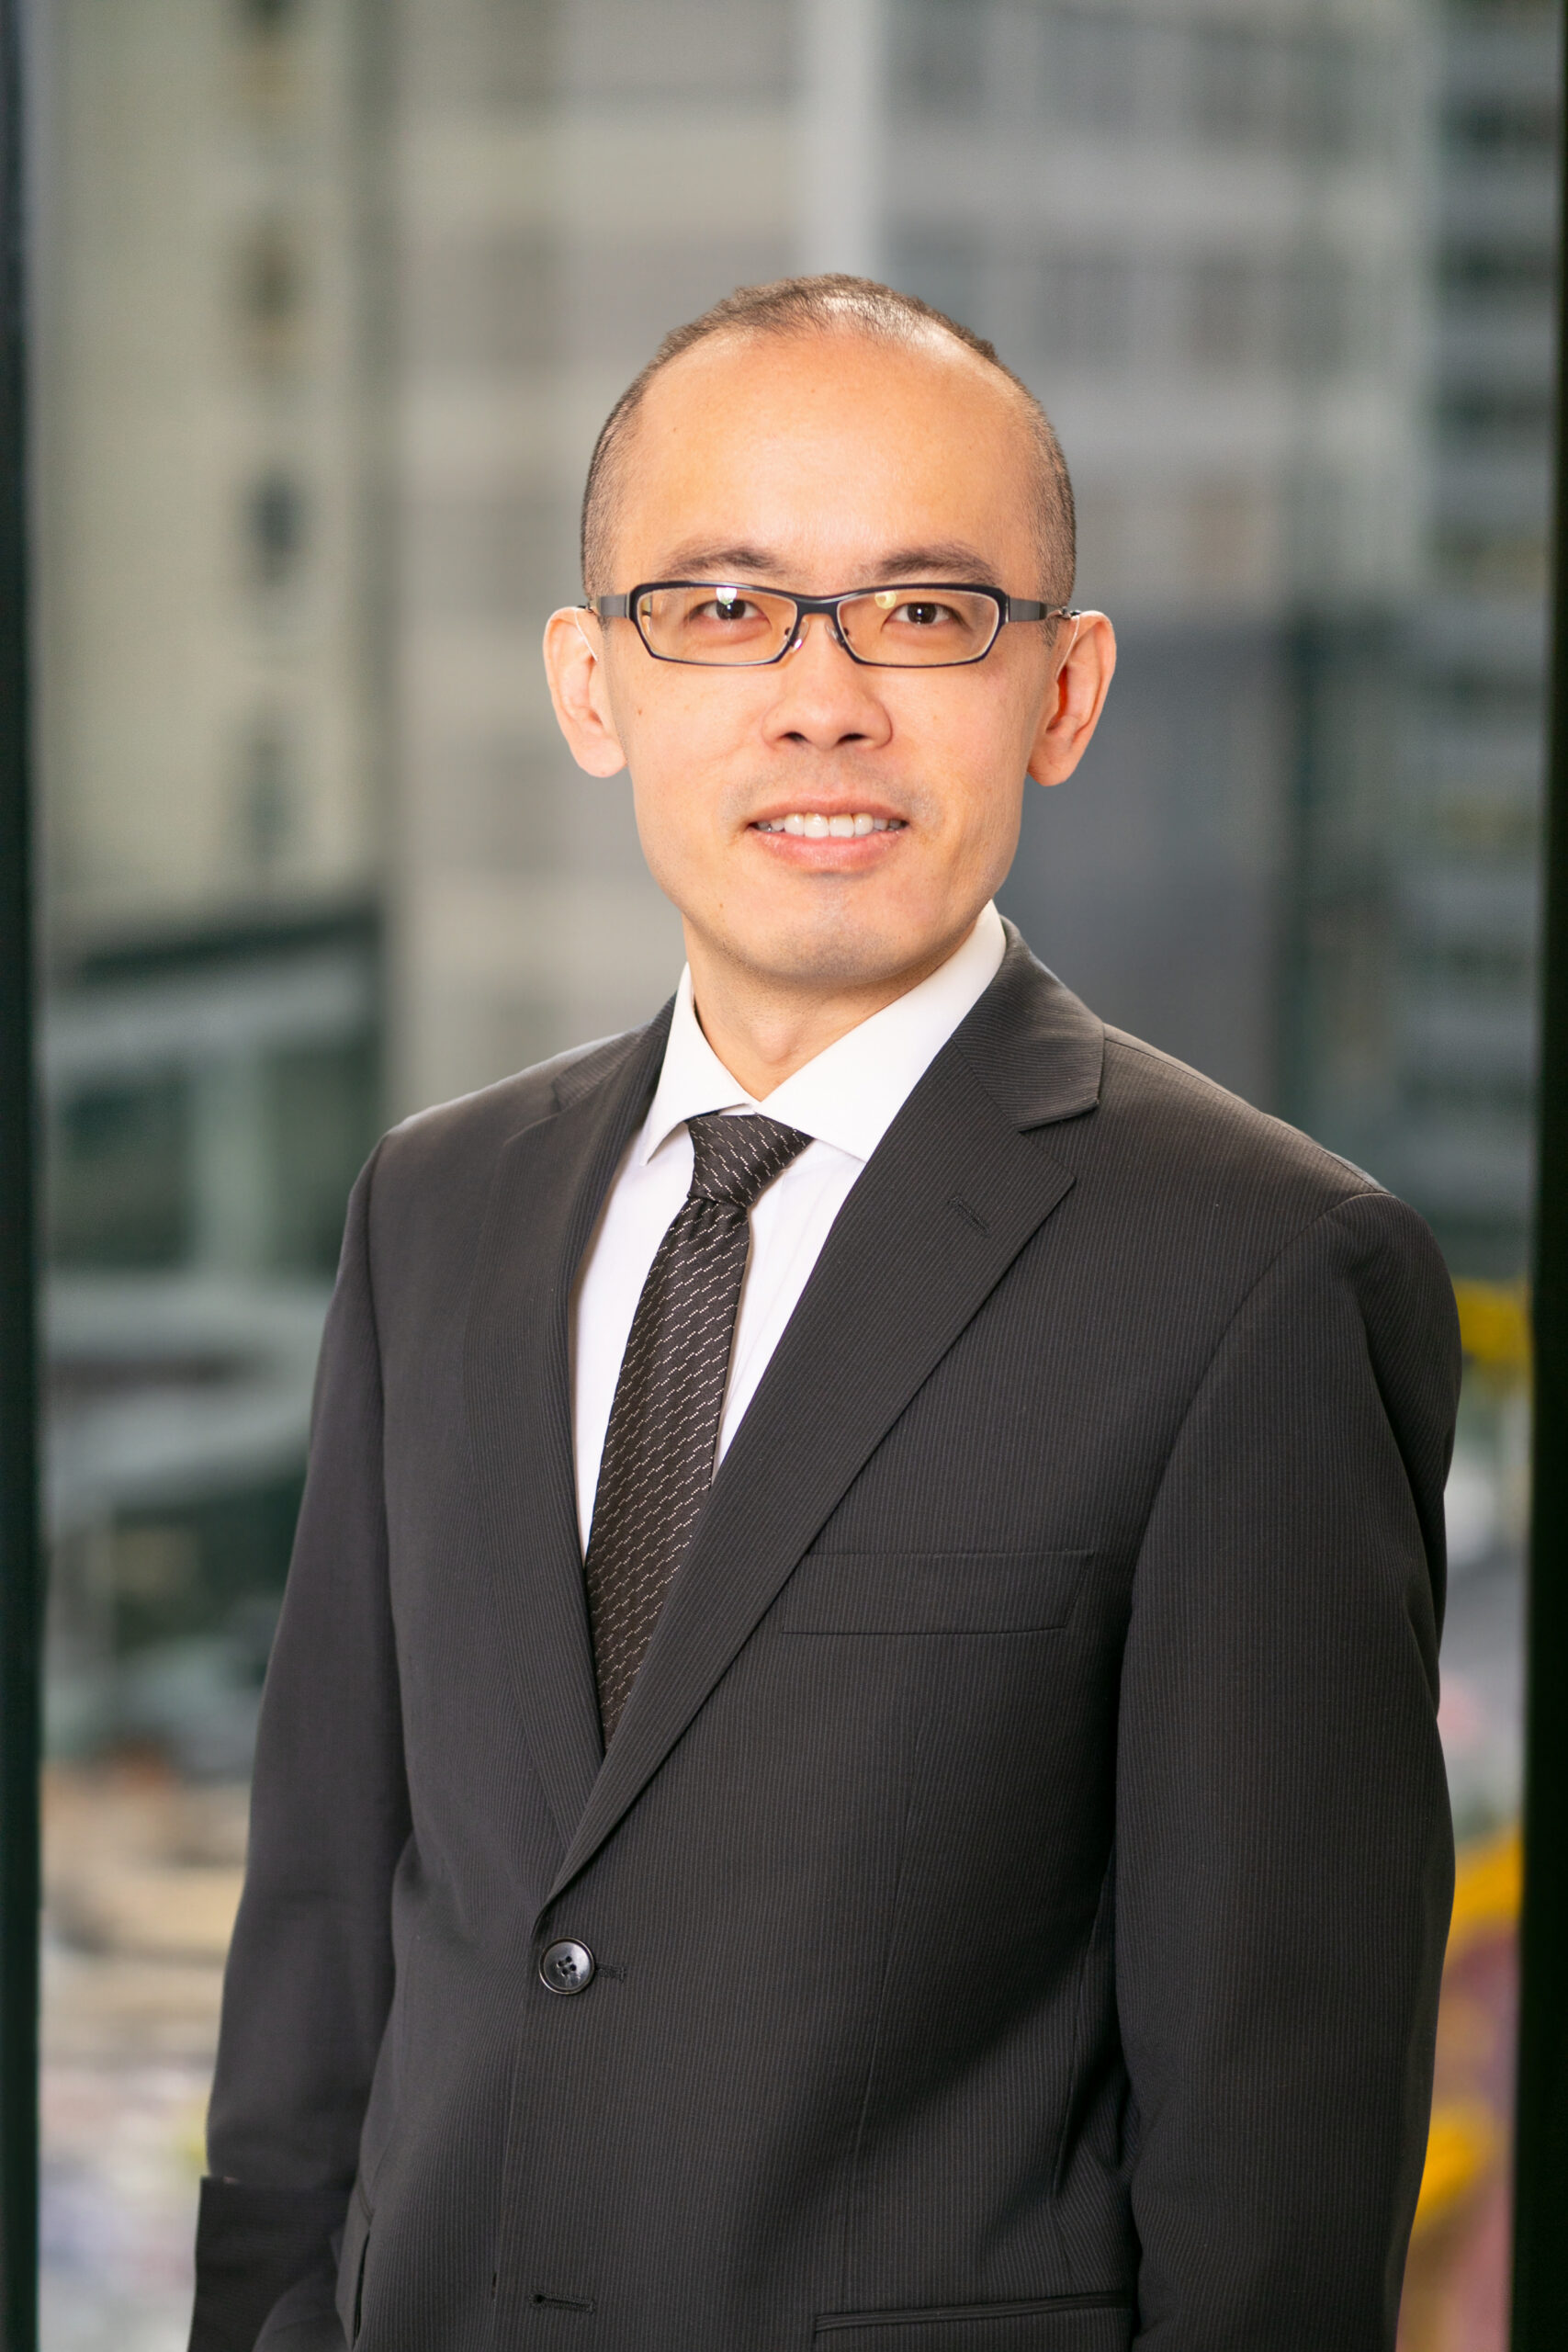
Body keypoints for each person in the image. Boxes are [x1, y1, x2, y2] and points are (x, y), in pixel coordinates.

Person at [189, 277, 1457, 2352]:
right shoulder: (439, 1208)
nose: (822, 702)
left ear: (1063, 692)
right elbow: (324, 1942)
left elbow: (1273, 2171)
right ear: (590, 683)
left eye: (925, 613)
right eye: (722, 608)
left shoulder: (1259, 1279)